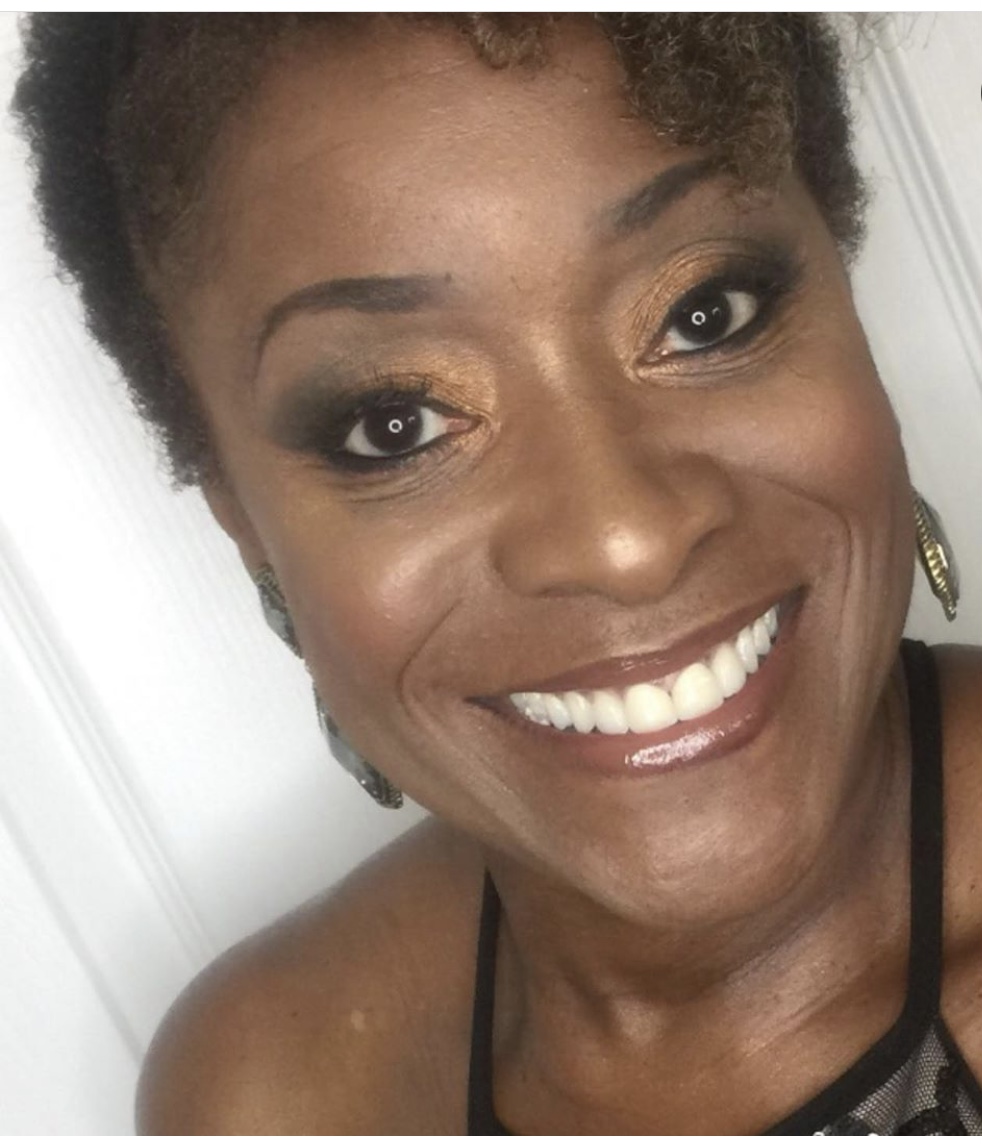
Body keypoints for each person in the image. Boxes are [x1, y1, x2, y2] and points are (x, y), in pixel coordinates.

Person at [12, 13, 981, 1135]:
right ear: (247, 526)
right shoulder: (271, 1095)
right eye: (396, 423)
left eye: (702, 313)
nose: (625, 540)